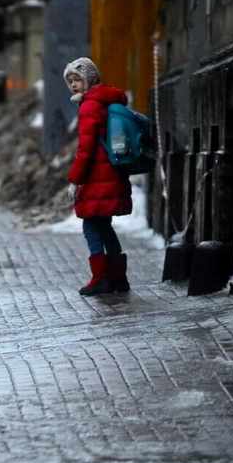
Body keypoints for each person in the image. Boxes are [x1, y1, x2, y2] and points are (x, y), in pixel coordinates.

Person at [64, 57, 132, 296]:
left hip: (96, 176)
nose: (73, 85)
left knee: (91, 226)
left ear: (90, 79)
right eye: (70, 81)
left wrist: (75, 179)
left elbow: (86, 147)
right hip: (110, 173)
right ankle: (118, 278)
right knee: (104, 226)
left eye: (77, 79)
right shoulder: (105, 100)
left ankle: (100, 278)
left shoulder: (90, 105)